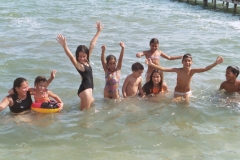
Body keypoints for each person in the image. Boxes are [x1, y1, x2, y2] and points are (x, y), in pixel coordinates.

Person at [56, 21, 103, 110]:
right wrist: (65, 46)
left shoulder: (87, 61)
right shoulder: (80, 66)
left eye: (84, 56)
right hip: (85, 91)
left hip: (88, 90)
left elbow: (92, 45)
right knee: (85, 117)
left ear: (87, 55)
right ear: (77, 56)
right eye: (79, 56)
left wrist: (98, 31)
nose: (82, 58)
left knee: (91, 109)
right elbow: (71, 57)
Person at [146, 53, 224, 103]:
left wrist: (215, 63)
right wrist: (151, 64)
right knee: (174, 103)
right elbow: (163, 69)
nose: (187, 63)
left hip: (187, 92)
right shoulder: (178, 70)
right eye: (185, 61)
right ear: (182, 62)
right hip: (178, 92)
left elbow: (205, 68)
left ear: (192, 62)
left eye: (189, 61)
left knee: (186, 104)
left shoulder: (192, 71)